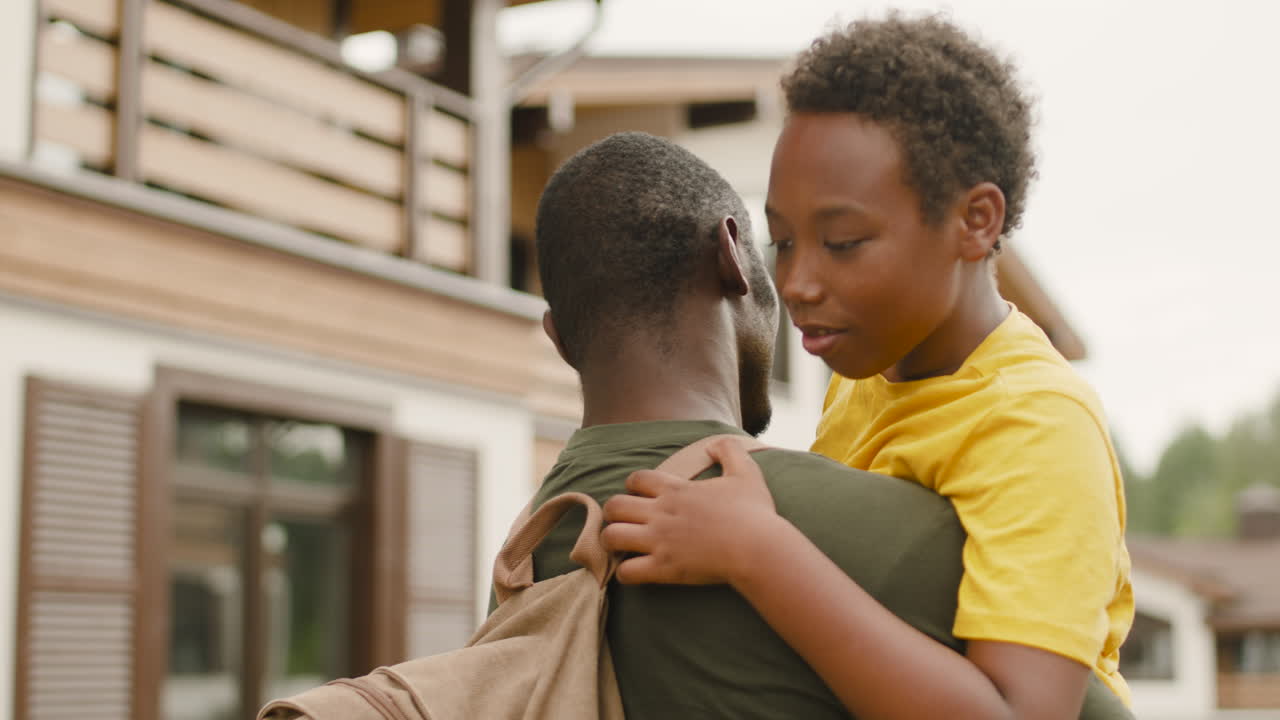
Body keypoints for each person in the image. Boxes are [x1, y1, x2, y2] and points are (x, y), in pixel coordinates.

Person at [601, 13, 1134, 720]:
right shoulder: (861, 377)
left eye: (844, 242)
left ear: (975, 221)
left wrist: (757, 551)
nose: (796, 284)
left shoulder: (1036, 425)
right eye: (784, 242)